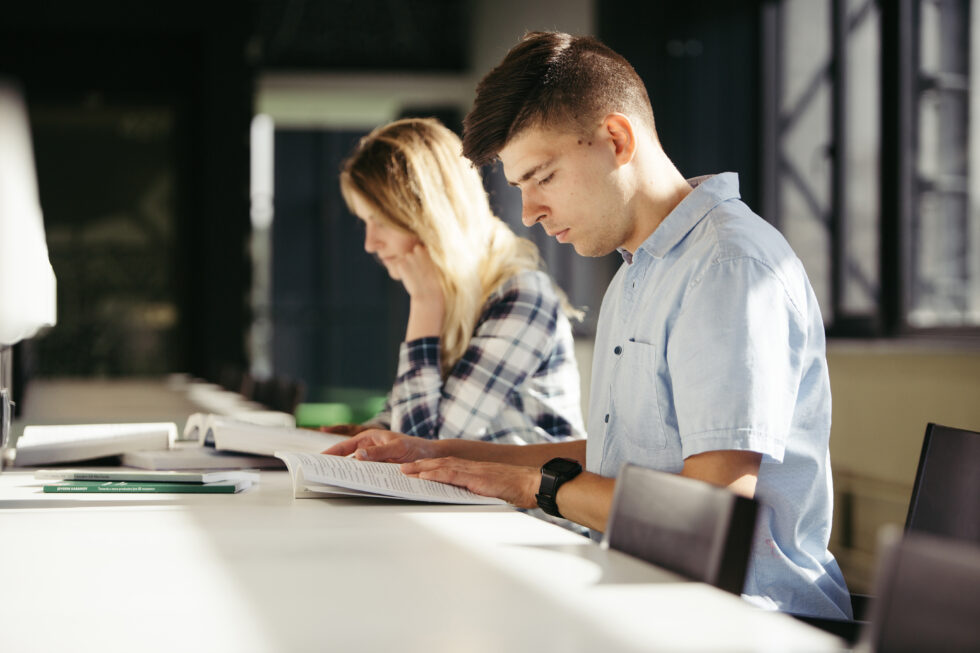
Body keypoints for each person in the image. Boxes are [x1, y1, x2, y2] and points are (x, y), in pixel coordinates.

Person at [326, 32, 852, 619]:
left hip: (740, 617)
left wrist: (534, 487)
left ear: (617, 139)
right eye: (519, 188)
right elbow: (617, 455)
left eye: (543, 177)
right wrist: (436, 450)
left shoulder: (728, 268)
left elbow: (710, 511)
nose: (528, 213)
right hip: (636, 580)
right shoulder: (638, 271)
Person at [328, 117, 585, 445]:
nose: (370, 243)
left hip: (527, 498)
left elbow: (423, 446)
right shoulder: (454, 296)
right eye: (365, 222)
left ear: (427, 214)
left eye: (380, 220)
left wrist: (425, 306)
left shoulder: (522, 296)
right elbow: (402, 418)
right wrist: (359, 433)